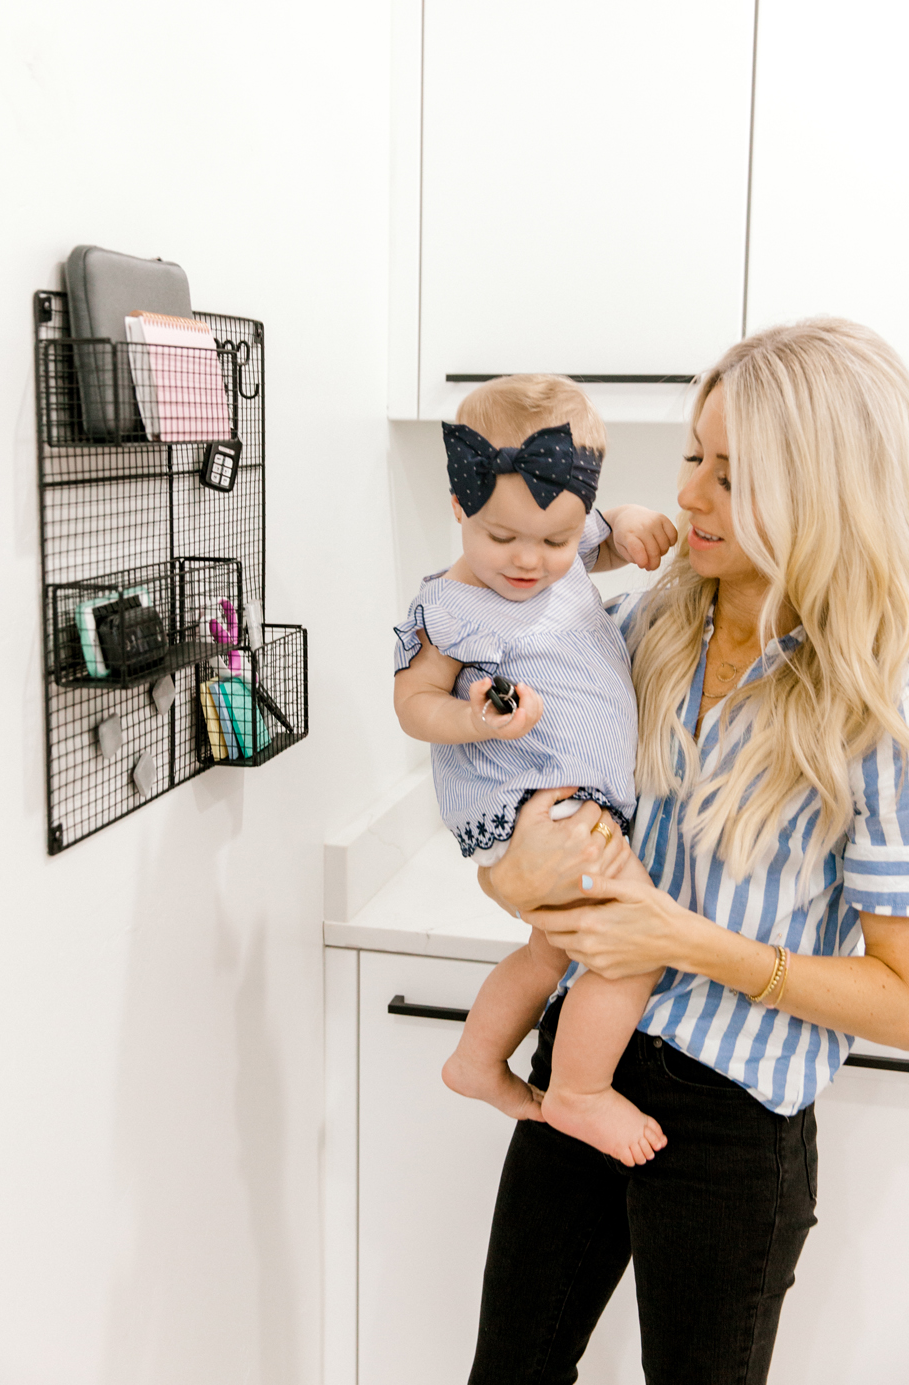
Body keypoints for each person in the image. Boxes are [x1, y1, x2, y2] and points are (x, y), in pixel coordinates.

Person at [454, 320, 909, 1385]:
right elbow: (506, 792)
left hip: (734, 1120)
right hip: (583, 1059)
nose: (689, 492)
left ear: (822, 495)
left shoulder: (875, 709)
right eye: (695, 456)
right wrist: (508, 874)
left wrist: (685, 940)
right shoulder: (639, 625)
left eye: (732, 476)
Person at [393, 374, 677, 1165]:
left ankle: (476, 1058)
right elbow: (413, 701)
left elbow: (605, 540)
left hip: (571, 801)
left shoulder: (564, 548)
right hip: (540, 803)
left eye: (556, 540)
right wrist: (475, 717)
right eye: (502, 537)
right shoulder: (450, 607)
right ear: (460, 506)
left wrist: (633, 522)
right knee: (636, 942)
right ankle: (579, 1089)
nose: (529, 560)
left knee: (550, 951)